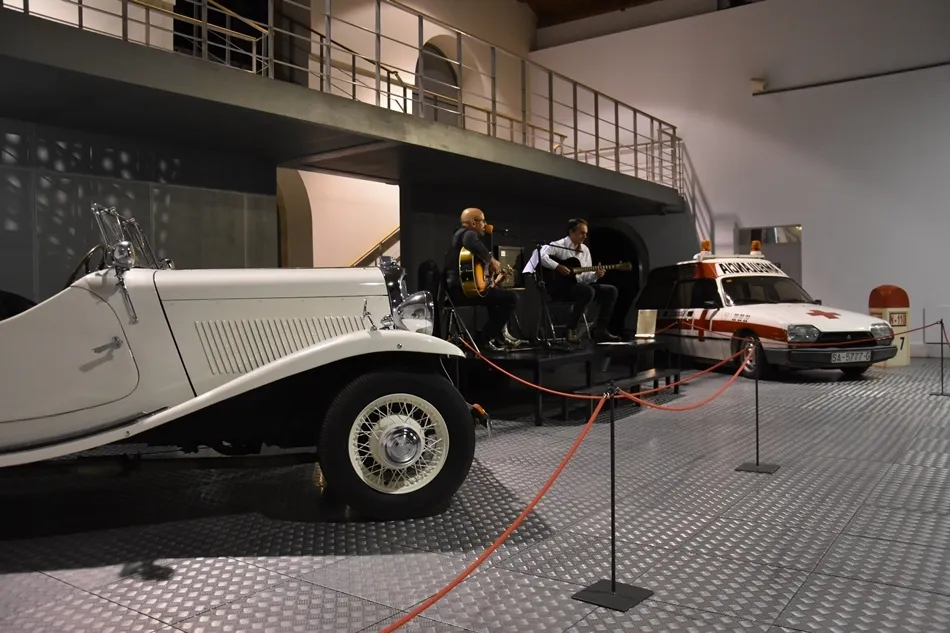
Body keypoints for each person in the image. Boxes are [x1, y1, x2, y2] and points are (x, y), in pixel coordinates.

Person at [524, 218, 620, 343]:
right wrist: (557, 266)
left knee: (611, 290)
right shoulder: (558, 245)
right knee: (588, 291)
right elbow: (538, 255)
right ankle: (571, 329)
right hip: (559, 288)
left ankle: (600, 330)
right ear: (571, 232)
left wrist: (595, 275)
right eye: (582, 233)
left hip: (579, 286)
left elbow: (584, 277)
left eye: (586, 233)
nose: (585, 236)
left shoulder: (584, 250)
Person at [444, 208, 520, 351]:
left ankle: (496, 337)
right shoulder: (467, 234)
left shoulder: (458, 237)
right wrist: (491, 260)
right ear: (473, 222)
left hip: (456, 292)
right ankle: (484, 339)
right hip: (463, 293)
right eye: (483, 220)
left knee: (495, 298)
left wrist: (490, 276)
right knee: (512, 298)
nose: (485, 224)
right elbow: (471, 241)